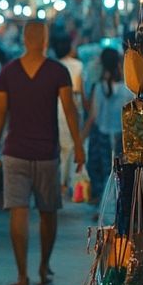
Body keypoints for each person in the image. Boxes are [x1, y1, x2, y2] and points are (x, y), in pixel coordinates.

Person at [0, 22, 85, 285]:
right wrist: (78, 145)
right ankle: (43, 265)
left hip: (14, 152)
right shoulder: (58, 71)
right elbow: (70, 110)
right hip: (46, 154)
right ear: (44, 40)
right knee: (48, 211)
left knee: (17, 211)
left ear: (23, 39)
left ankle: (22, 275)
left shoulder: (8, 71)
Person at [82, 47, 134, 206]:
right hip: (121, 137)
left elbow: (93, 116)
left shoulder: (98, 88)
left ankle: (104, 208)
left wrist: (80, 138)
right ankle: (115, 208)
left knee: (104, 172)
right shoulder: (127, 90)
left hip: (102, 136)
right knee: (119, 173)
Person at [52, 34, 85, 194]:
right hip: (70, 107)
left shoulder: (52, 65)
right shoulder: (78, 66)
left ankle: (59, 182)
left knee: (58, 146)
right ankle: (63, 183)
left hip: (54, 108)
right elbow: (78, 90)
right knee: (69, 147)